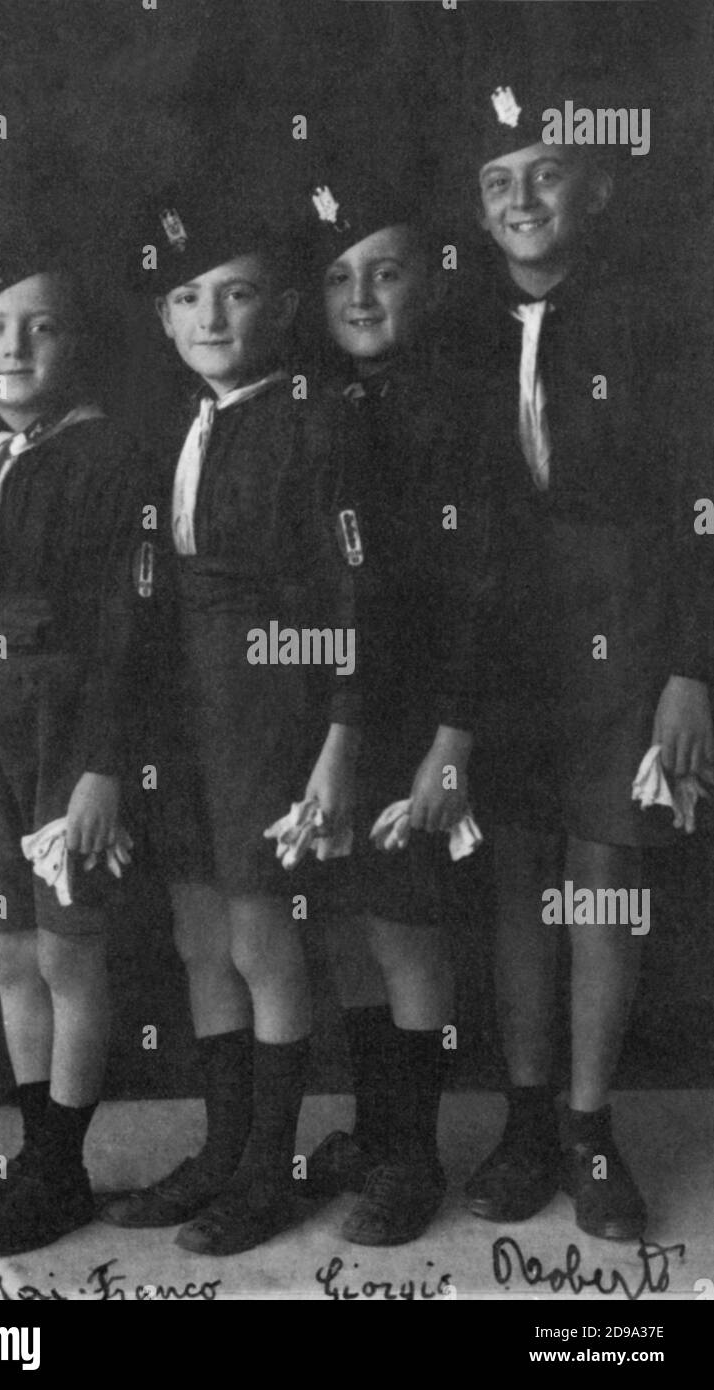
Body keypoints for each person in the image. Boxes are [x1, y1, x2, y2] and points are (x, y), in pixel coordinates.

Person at [455, 81, 713, 1240]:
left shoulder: (661, 318)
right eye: (498, 182)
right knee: (517, 880)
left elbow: (705, 501)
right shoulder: (461, 325)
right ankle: (523, 1119)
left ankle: (591, 1125)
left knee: (601, 879)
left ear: (595, 185)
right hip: (506, 624)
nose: (522, 198)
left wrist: (692, 666)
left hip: (630, 618)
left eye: (545, 172)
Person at [101, 190, 359, 1255]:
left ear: (285, 308)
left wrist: (341, 735)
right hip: (178, 709)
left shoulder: (313, 419)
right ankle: (220, 1147)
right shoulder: (167, 426)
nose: (212, 318)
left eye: (238, 294)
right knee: (198, 928)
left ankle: (271, 1168)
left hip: (269, 703)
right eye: (188, 298)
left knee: (262, 933)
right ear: (164, 321)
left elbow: (353, 591)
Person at [0, 217, 145, 1256]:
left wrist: (103, 761)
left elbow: (120, 622)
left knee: (68, 947)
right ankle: (34, 1154)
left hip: (70, 710)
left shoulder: (101, 454)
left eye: (41, 327)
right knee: (7, 942)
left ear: (76, 344)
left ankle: (62, 1168)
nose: (16, 348)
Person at [303, 169, 483, 1245]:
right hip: (332, 705)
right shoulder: (318, 403)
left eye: (387, 272)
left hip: (417, 708)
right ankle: (376, 1130)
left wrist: (452, 740)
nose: (362, 297)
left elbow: (482, 590)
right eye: (338, 277)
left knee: (408, 930)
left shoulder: (454, 407)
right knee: (346, 929)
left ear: (430, 281)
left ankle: (414, 1155)